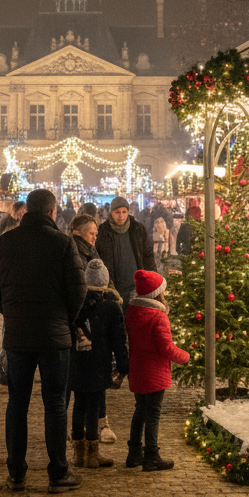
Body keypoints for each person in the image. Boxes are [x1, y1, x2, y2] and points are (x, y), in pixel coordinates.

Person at [0, 188, 87, 493]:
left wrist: (12, 312)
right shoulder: (62, 243)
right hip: (55, 336)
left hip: (18, 336)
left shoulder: (3, 243)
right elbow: (78, 289)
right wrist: (65, 319)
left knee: (17, 403)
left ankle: (16, 472)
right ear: (52, 212)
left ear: (25, 211)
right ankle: (58, 473)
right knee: (55, 405)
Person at [123, 269, 188, 471]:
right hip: (154, 374)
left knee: (140, 411)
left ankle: (134, 453)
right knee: (153, 414)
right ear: (157, 293)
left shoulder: (132, 312)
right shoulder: (158, 317)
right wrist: (185, 357)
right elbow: (166, 348)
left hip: (138, 371)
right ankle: (152, 456)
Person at [70, 260, 128, 469]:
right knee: (94, 406)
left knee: (78, 404)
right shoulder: (111, 307)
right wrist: (123, 367)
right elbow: (119, 340)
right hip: (98, 364)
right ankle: (92, 453)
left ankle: (78, 454)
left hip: (77, 363)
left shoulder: (76, 303)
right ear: (105, 282)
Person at [95, 195, 156, 308]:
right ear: (111, 213)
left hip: (136, 287)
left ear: (128, 212)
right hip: (113, 288)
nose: (121, 216)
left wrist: (152, 280)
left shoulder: (137, 229)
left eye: (124, 212)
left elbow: (148, 255)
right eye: (117, 212)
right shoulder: (102, 232)